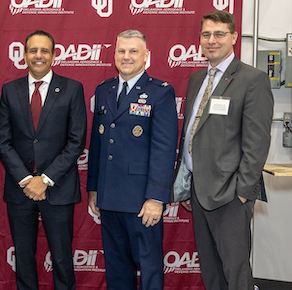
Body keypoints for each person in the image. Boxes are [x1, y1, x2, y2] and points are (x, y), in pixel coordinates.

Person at [172, 10, 273, 290]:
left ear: (234, 38)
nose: (212, 40)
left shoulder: (252, 80)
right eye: (206, 34)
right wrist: (187, 184)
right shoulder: (196, 79)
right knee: (211, 270)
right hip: (198, 190)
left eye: (219, 34)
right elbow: (192, 134)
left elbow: (257, 142)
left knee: (235, 271)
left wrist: (243, 192)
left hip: (230, 195)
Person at [87, 29, 178, 290]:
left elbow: (164, 148)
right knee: (116, 269)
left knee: (149, 269)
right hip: (109, 197)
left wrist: (156, 197)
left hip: (142, 200)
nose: (126, 57)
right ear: (114, 54)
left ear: (146, 55)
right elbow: (97, 145)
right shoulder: (104, 90)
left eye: (133, 51)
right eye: (121, 51)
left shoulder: (160, 92)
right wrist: (94, 188)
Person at [0, 30, 86, 290]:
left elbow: (76, 141)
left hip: (58, 189)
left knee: (62, 259)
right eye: (33, 50)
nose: (39, 56)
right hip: (20, 189)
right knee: (23, 259)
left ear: (54, 55)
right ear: (24, 55)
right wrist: (26, 179)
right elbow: (3, 140)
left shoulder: (72, 89)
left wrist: (45, 180)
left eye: (44, 51)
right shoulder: (9, 90)